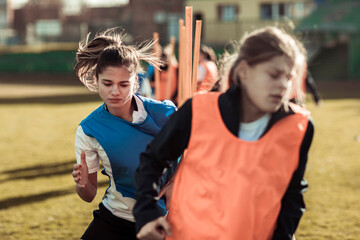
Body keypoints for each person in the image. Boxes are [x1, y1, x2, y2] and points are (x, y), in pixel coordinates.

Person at [133, 26, 314, 240]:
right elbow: (153, 160)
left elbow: (293, 195)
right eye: (274, 74)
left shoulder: (299, 127)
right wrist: (147, 215)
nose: (283, 84)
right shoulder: (198, 110)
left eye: (289, 76)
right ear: (244, 71)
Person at [71, 28, 177, 240]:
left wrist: (178, 179)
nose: (115, 91)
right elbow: (89, 194)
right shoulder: (89, 129)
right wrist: (81, 184)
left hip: (168, 221)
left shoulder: (166, 113)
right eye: (107, 84)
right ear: (96, 80)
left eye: (123, 84)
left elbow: (197, 158)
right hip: (116, 218)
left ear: (136, 82)